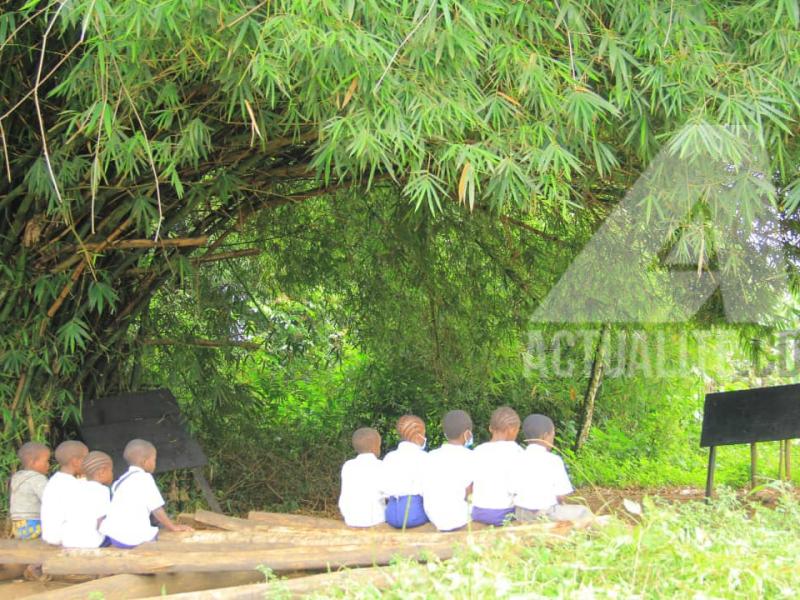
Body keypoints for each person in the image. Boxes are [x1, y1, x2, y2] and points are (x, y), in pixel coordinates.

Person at [100, 439, 191, 548]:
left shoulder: (120, 481)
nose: (154, 463)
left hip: (115, 538)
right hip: (132, 540)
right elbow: (156, 509)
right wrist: (173, 527)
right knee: (158, 536)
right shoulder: (145, 478)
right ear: (145, 462)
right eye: (154, 460)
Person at [513, 414, 592, 523]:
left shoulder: (517, 458)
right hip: (546, 513)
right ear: (545, 436)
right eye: (552, 435)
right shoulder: (554, 460)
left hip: (521, 514)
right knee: (584, 511)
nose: (552, 440)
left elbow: (512, 490)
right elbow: (561, 496)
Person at [422, 409, 475, 532]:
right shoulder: (471, 456)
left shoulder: (431, 456)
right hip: (459, 517)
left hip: (433, 516)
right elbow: (470, 491)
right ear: (467, 433)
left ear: (445, 433)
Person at [471, 406, 523, 526]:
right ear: (512, 429)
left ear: (490, 428)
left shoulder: (478, 450)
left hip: (478, 512)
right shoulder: (516, 451)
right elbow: (517, 488)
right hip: (503, 513)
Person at [381, 415, 429, 528]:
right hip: (414, 513)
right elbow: (428, 491)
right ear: (418, 436)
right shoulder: (424, 457)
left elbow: (384, 490)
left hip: (391, 514)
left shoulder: (389, 457)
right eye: (424, 434)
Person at [61, 451, 114, 548]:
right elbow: (100, 523)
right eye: (111, 470)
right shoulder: (101, 490)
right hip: (91, 543)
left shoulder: (73, 485)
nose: (112, 474)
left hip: (67, 541)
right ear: (102, 472)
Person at [41, 440, 89, 545]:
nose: (89, 463)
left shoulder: (55, 481)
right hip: (63, 537)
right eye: (86, 459)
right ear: (75, 461)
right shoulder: (72, 484)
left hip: (51, 535)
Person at [338, 427, 386, 527]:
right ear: (375, 446)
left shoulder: (348, 465)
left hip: (351, 519)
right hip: (376, 520)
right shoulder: (381, 466)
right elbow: (390, 492)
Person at [9, 442, 51, 540]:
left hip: (17, 523)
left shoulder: (16, 477)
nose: (48, 464)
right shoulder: (38, 478)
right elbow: (48, 499)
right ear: (33, 462)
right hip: (33, 522)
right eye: (46, 461)